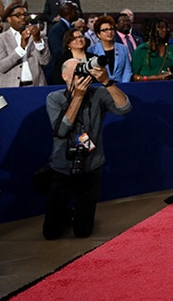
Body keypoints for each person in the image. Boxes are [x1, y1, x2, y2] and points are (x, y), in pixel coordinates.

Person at [43, 58, 130, 240]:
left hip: (91, 165)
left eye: (84, 70)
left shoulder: (97, 94)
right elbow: (61, 130)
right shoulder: (54, 98)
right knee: (51, 233)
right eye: (77, 71)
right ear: (64, 75)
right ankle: (65, 214)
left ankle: (78, 215)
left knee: (83, 232)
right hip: (62, 166)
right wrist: (78, 97)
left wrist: (107, 82)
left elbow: (125, 108)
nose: (81, 75)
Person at [0, 7, 50, 88]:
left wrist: (37, 41)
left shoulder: (38, 35)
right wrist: (21, 48)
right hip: (11, 87)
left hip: (36, 85)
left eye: (25, 15)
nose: (23, 17)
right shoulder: (0, 39)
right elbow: (1, 67)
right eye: (18, 15)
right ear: (9, 19)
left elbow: (45, 61)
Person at [88, 15, 133, 84]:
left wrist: (124, 85)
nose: (109, 32)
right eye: (105, 30)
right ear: (98, 34)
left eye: (111, 29)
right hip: (101, 87)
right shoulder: (92, 50)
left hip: (121, 85)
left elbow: (127, 71)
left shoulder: (122, 48)